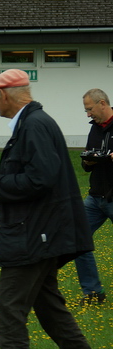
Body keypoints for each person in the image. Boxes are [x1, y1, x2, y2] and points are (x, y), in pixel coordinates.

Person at [0, 69, 108, 349]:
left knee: (8, 309)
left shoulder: (33, 125)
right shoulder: (34, 123)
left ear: (6, 95)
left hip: (35, 236)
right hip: (43, 232)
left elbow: (41, 178)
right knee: (49, 307)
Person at [73, 88, 113, 306]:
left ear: (102, 104)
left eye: (89, 109)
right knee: (78, 238)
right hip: (95, 197)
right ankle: (93, 293)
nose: (88, 114)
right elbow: (88, 161)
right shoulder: (94, 129)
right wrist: (88, 161)